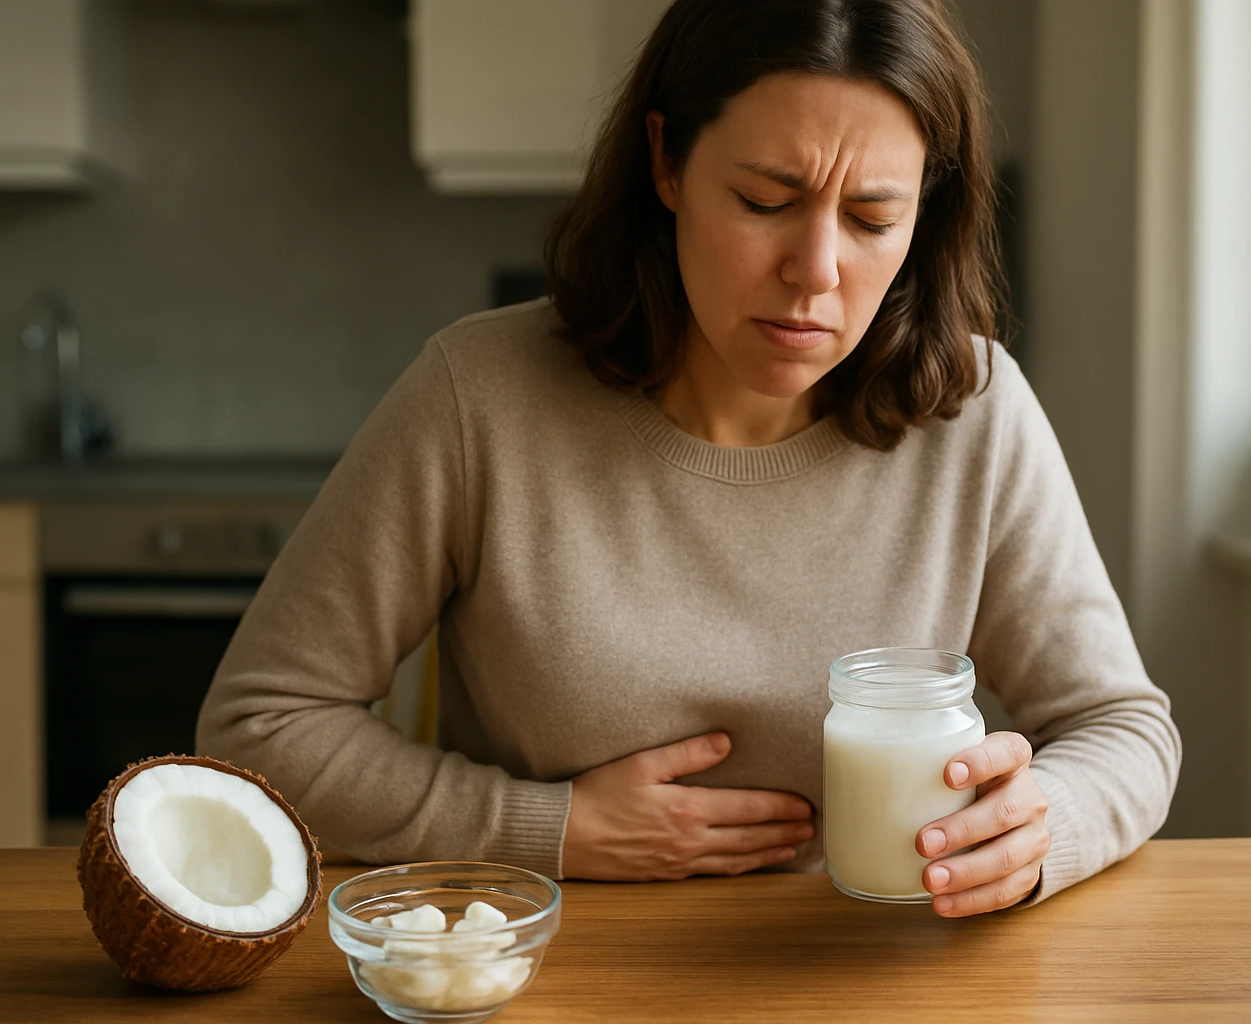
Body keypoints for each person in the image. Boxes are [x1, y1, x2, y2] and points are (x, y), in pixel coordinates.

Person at [196, 0, 1181, 919]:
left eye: (875, 219)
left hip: (870, 973)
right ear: (666, 161)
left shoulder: (975, 408)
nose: (817, 272)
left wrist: (1039, 822)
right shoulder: (477, 396)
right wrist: (550, 829)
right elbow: (258, 726)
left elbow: (1126, 729)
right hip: (544, 972)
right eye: (764, 201)